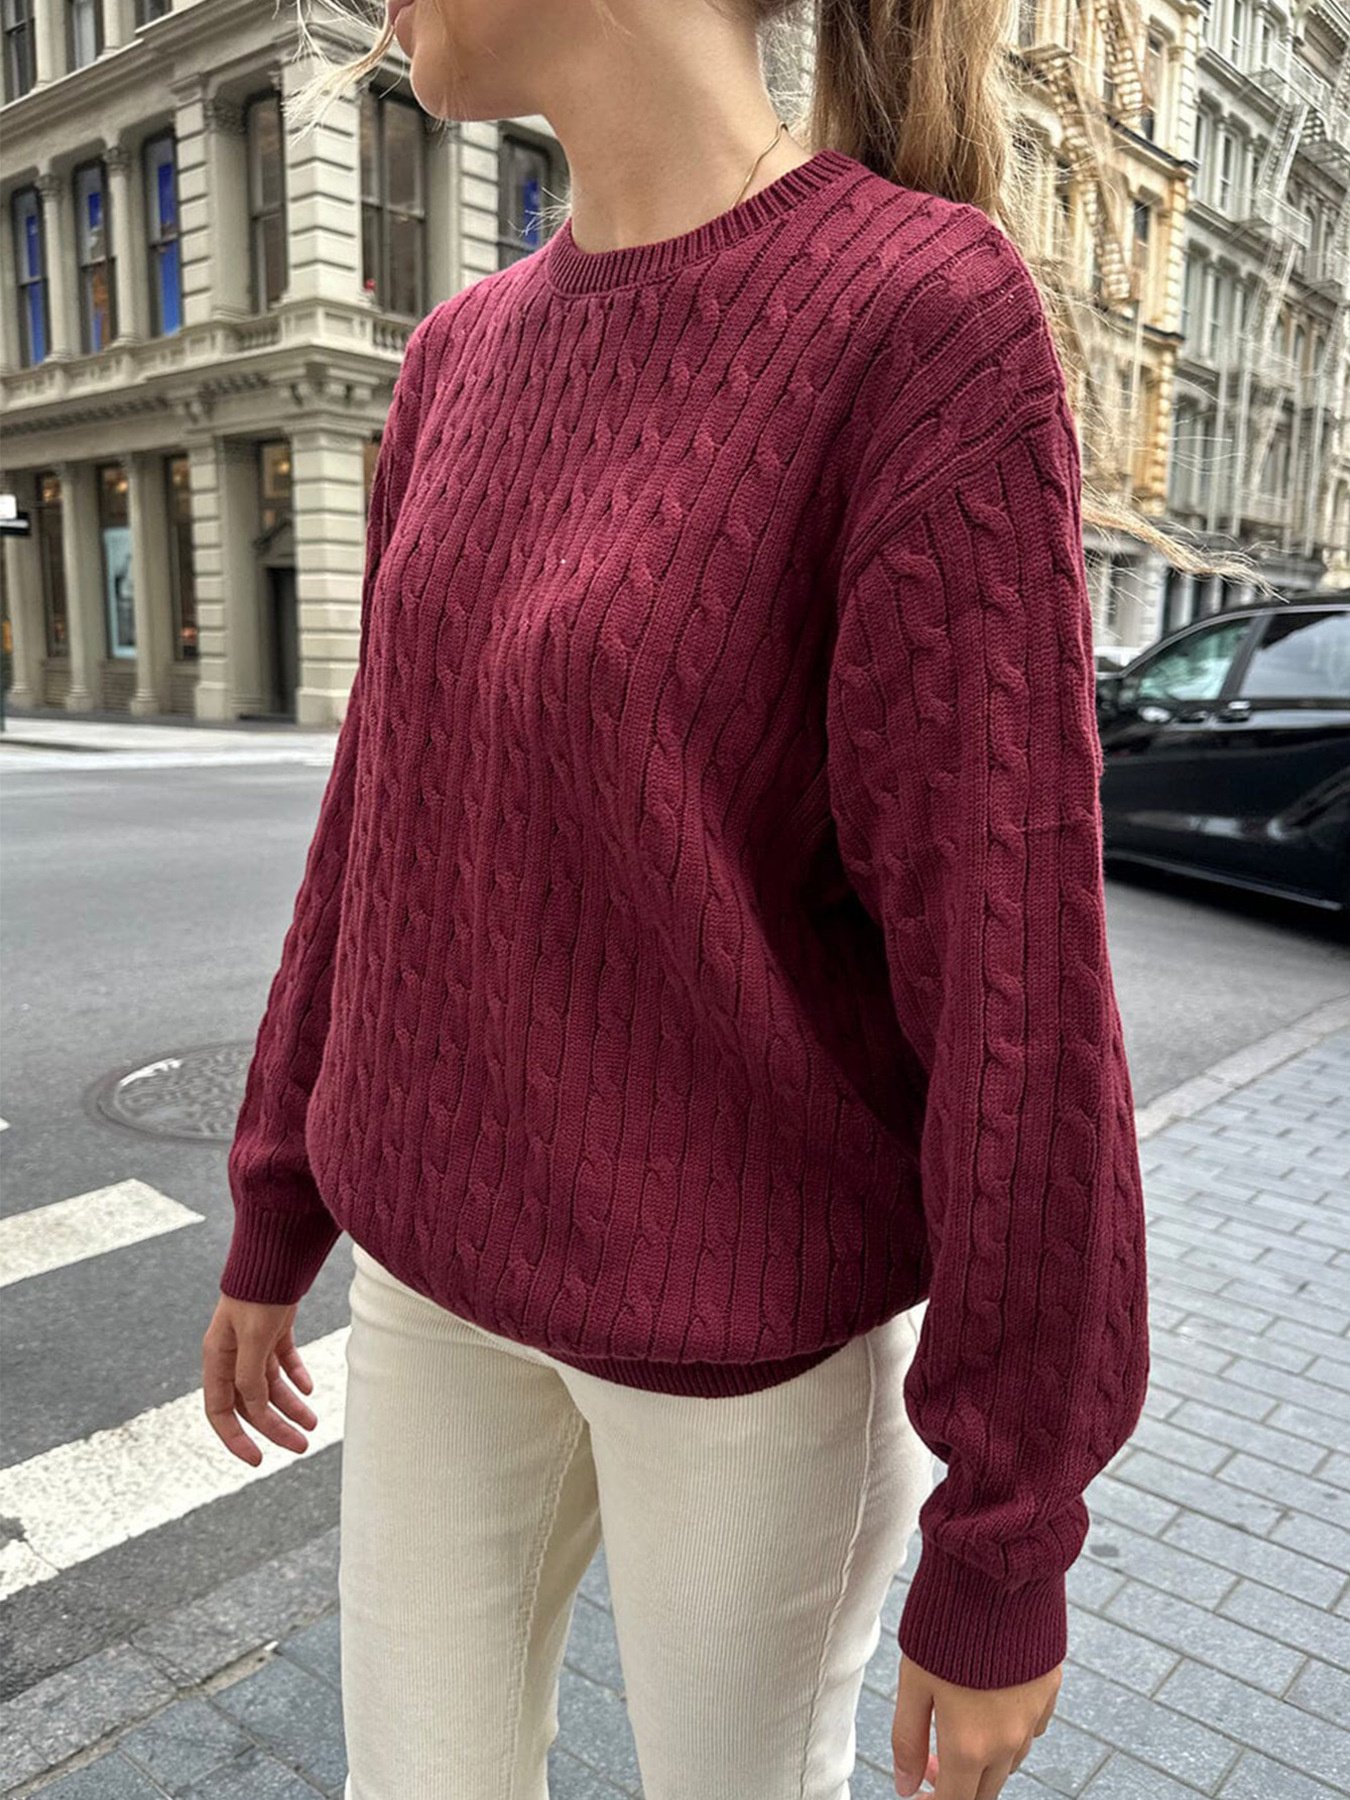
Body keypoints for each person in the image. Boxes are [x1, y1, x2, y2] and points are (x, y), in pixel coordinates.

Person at [202, 3, 1156, 1796]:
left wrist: (1007, 1528)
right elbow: (378, 826)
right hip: (431, 1276)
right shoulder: (457, 356)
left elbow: (1013, 978)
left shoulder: (918, 321)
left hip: (746, 1335)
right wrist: (279, 1200)